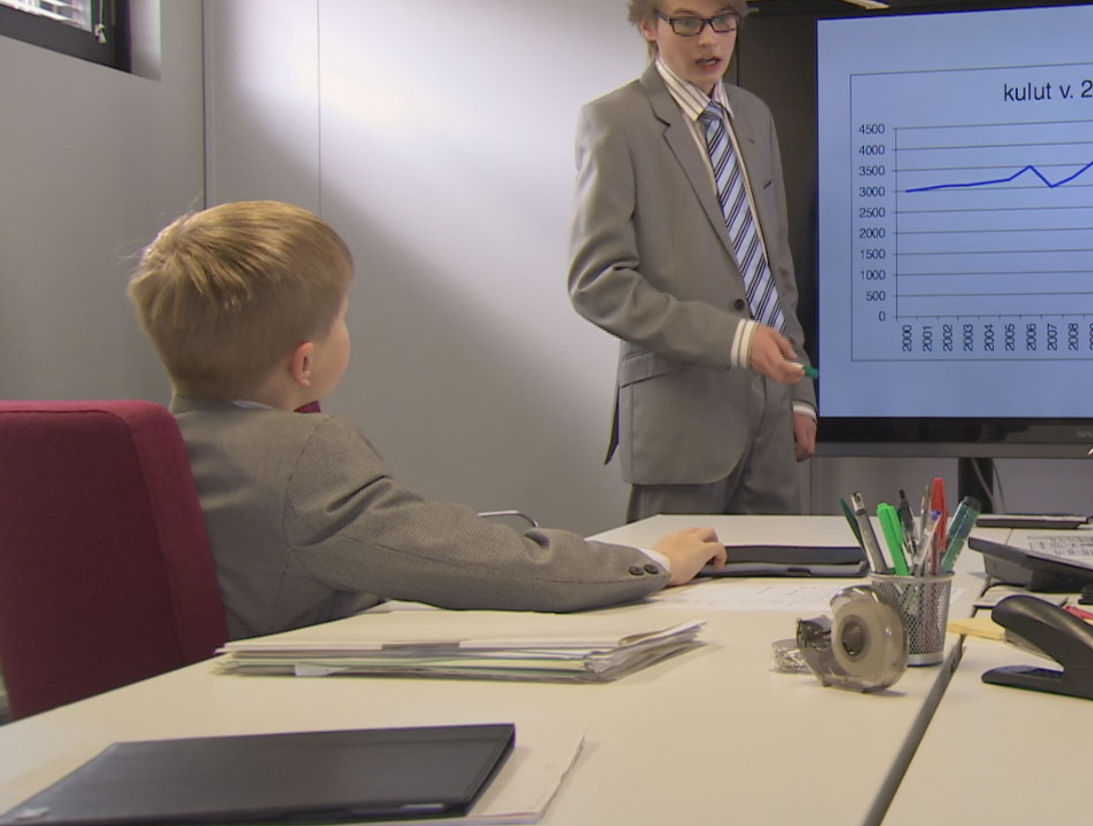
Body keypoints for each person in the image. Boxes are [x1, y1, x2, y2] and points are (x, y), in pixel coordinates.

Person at [127, 200, 727, 640]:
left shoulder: (154, 451)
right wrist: (654, 565)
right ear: (304, 363)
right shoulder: (303, 456)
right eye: (341, 318)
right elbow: (477, 564)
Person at [568, 0, 815, 521]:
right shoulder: (616, 123)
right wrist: (732, 339)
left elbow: (773, 269)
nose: (709, 40)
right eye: (687, 22)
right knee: (677, 577)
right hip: (681, 427)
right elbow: (597, 283)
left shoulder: (753, 116)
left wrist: (800, 393)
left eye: (723, 21)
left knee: (782, 578)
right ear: (648, 26)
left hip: (772, 425)